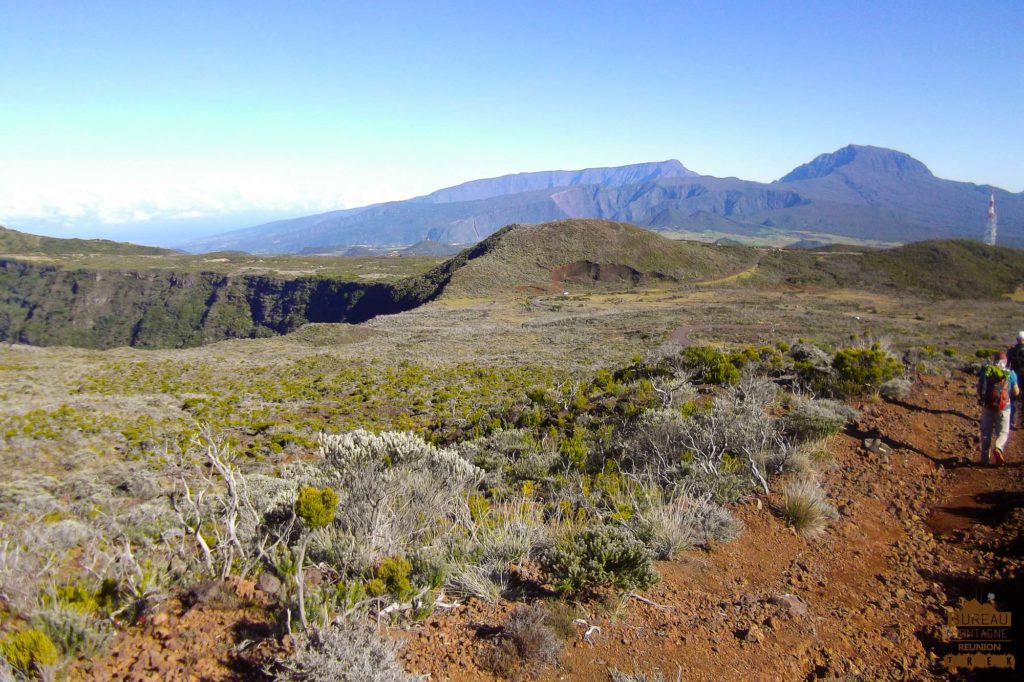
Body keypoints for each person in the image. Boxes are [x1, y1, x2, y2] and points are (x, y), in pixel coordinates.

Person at [977, 351, 1019, 466]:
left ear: (994, 360)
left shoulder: (986, 371)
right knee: (1003, 431)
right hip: (1004, 407)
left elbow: (979, 388)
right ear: (1006, 362)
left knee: (986, 432)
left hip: (987, 406)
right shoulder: (1010, 373)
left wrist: (982, 397)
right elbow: (1016, 392)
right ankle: (998, 447)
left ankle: (985, 459)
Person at [1007, 332, 1024, 428]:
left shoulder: (1011, 351)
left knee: (1013, 399)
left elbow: (1007, 365)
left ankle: (1012, 421)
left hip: (1014, 376)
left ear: (1017, 339)